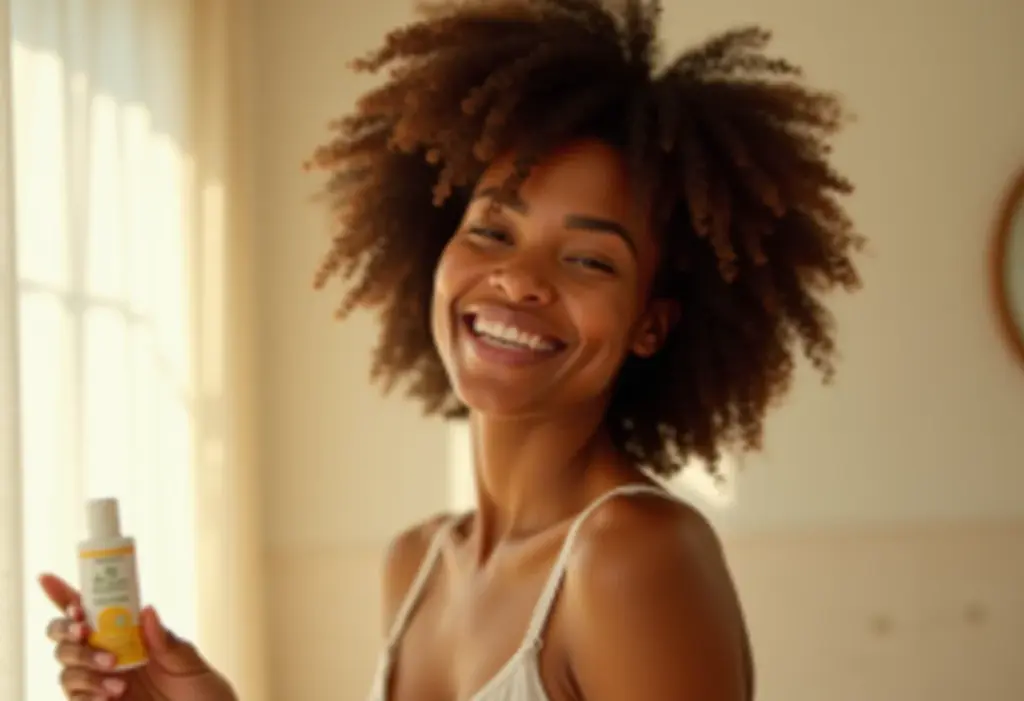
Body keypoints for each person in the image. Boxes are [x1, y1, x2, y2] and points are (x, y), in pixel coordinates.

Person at [39, 0, 863, 699]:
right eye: (492, 229)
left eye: (587, 258)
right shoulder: (417, 562)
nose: (518, 279)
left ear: (653, 322)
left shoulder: (632, 555)